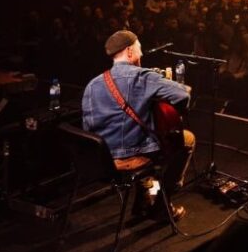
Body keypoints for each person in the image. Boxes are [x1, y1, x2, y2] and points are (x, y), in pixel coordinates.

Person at [82, 30, 194, 220]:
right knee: (187, 140)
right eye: (140, 50)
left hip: (103, 161)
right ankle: (162, 202)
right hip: (132, 157)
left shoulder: (92, 84)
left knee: (142, 142)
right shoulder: (143, 77)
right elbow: (183, 95)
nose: (142, 55)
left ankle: (145, 197)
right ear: (130, 52)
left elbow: (88, 127)